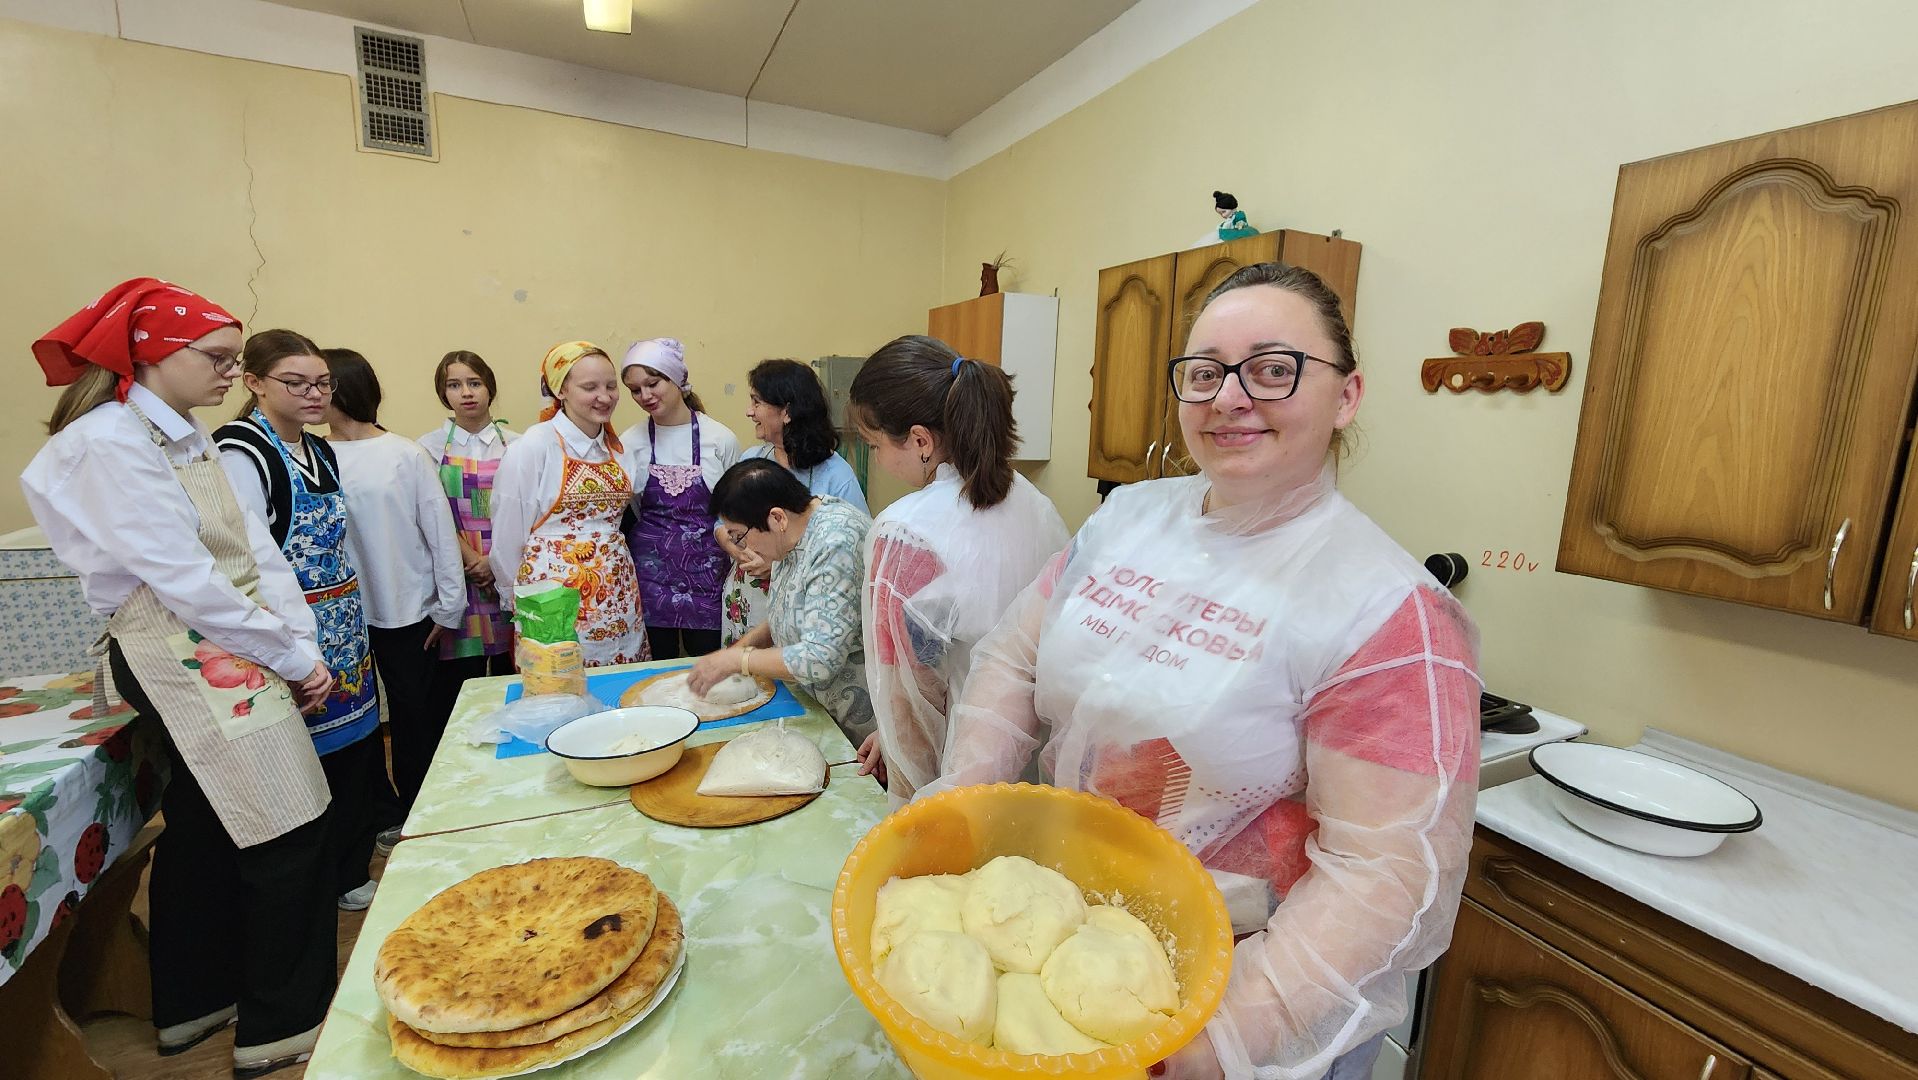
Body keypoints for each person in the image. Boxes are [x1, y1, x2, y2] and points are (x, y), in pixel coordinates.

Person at [922, 263, 1481, 1080]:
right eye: (1206, 370)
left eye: (1272, 368)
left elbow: (1382, 877)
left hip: (1243, 989)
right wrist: (965, 798)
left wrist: (1217, 1036)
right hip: (1067, 938)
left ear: (1347, 395)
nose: (1229, 397)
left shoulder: (1385, 610)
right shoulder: (1128, 520)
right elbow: (1013, 658)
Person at [22, 279, 336, 1077]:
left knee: (204, 830)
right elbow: (180, 578)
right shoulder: (106, 442)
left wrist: (300, 636)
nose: (232, 373)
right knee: (285, 825)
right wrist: (291, 657)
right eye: (218, 358)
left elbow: (254, 547)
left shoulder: (188, 435)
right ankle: (281, 1024)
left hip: (226, 639)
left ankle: (197, 1002)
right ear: (155, 353)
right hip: (180, 651)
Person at [846, 335, 1068, 802]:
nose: (879, 461)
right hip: (1030, 757)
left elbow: (908, 697)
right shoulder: (1036, 503)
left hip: (956, 770)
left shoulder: (905, 532)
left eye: (874, 445)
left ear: (921, 441)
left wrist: (908, 803)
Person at [216, 330, 391, 914]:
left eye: (322, 383)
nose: (314, 394)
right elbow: (252, 560)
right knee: (303, 764)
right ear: (255, 383)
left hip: (344, 622)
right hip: (288, 631)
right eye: (296, 383)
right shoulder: (242, 452)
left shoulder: (317, 450)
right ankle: (314, 884)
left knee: (357, 752)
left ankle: (349, 867)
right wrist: (292, 645)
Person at [321, 348, 465, 818]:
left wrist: (448, 605)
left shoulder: (404, 453)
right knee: (354, 724)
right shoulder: (312, 454)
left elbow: (441, 535)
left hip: (405, 608)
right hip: (339, 616)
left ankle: (420, 808)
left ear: (344, 390)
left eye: (322, 384)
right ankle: (379, 812)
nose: (312, 395)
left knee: (412, 715)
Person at [690, 459, 874, 745]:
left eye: (740, 536)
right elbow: (789, 611)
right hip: (818, 704)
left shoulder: (835, 542)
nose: (744, 548)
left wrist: (740, 660)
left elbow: (819, 658)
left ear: (776, 518)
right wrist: (740, 649)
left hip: (861, 719)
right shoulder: (794, 530)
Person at [490, 341, 650, 667]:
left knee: (618, 690)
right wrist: (514, 597)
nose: (604, 397)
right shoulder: (533, 446)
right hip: (550, 597)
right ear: (561, 390)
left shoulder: (619, 450)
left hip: (616, 593)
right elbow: (507, 535)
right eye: (589, 387)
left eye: (610, 386)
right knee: (558, 687)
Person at [718, 359, 868, 643]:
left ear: (786, 410)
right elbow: (722, 521)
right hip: (746, 600)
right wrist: (732, 545)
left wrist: (776, 563)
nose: (749, 412)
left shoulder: (835, 473)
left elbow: (855, 553)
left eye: (757, 402)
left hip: (807, 612)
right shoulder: (752, 460)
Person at [618, 337, 740, 659]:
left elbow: (734, 513)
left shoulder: (720, 439)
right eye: (634, 389)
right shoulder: (630, 443)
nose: (644, 396)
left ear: (678, 379)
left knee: (710, 664)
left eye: (653, 383)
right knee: (657, 666)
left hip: (708, 576)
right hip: (650, 578)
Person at [417, 351, 520, 728]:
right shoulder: (426, 447)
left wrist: (495, 563)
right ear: (443, 394)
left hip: (508, 569)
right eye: (454, 385)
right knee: (463, 684)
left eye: (474, 382)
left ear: (490, 387)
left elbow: (525, 512)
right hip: (458, 573)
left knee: (515, 675)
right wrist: (473, 562)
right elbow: (434, 514)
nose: (466, 393)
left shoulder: (517, 444)